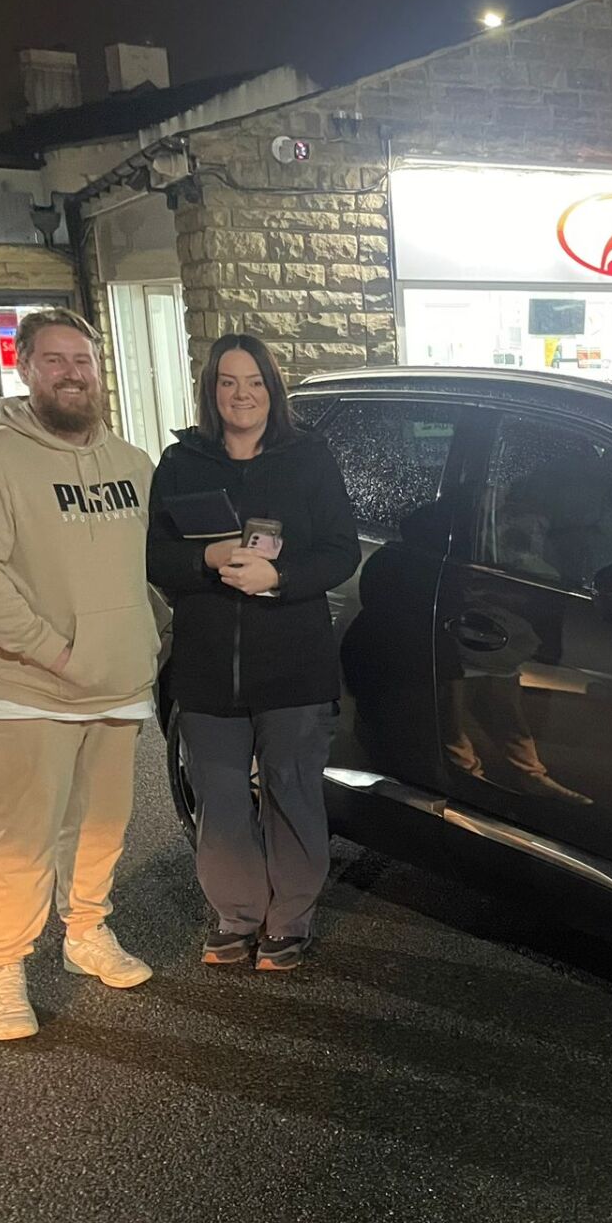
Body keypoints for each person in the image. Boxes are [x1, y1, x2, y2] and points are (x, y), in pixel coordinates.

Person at [0, 308, 160, 1042]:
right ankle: (2, 969)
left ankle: (85, 933)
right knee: (23, 836)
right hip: (31, 690)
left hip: (119, 686)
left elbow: (150, 569)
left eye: (84, 361)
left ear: (99, 370)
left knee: (102, 825)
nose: (73, 373)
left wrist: (149, 637)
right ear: (26, 368)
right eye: (55, 361)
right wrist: (53, 650)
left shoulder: (132, 465)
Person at [147, 334, 359, 971]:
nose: (243, 395)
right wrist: (204, 558)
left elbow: (341, 551)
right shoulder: (181, 463)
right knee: (219, 797)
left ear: (273, 389)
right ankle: (236, 916)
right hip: (208, 666)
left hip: (293, 662)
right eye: (229, 383)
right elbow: (154, 557)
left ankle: (290, 918)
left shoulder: (309, 459)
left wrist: (281, 577)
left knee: (293, 791)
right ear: (212, 392)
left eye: (255, 382)